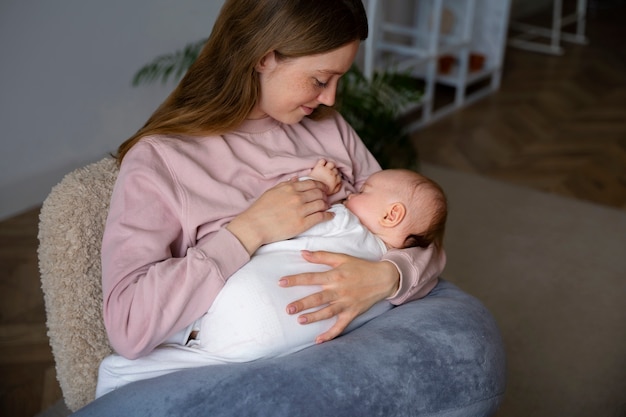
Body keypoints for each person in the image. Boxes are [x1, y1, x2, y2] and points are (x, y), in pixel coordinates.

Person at [101, 0, 445, 370]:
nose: (330, 98)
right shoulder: (162, 161)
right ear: (264, 58)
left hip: (353, 342)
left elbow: (417, 232)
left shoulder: (328, 128)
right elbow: (128, 324)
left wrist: (386, 277)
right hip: (244, 362)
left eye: (338, 80)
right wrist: (249, 230)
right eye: (319, 80)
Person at [96, 160, 447, 397]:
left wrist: (318, 184)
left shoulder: (346, 221)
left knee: (164, 345)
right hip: (266, 346)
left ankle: (114, 388)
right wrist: (390, 276)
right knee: (194, 357)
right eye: (320, 79)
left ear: (392, 214)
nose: (352, 193)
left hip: (236, 301)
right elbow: (426, 248)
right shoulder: (379, 259)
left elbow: (302, 210)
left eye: (362, 191)